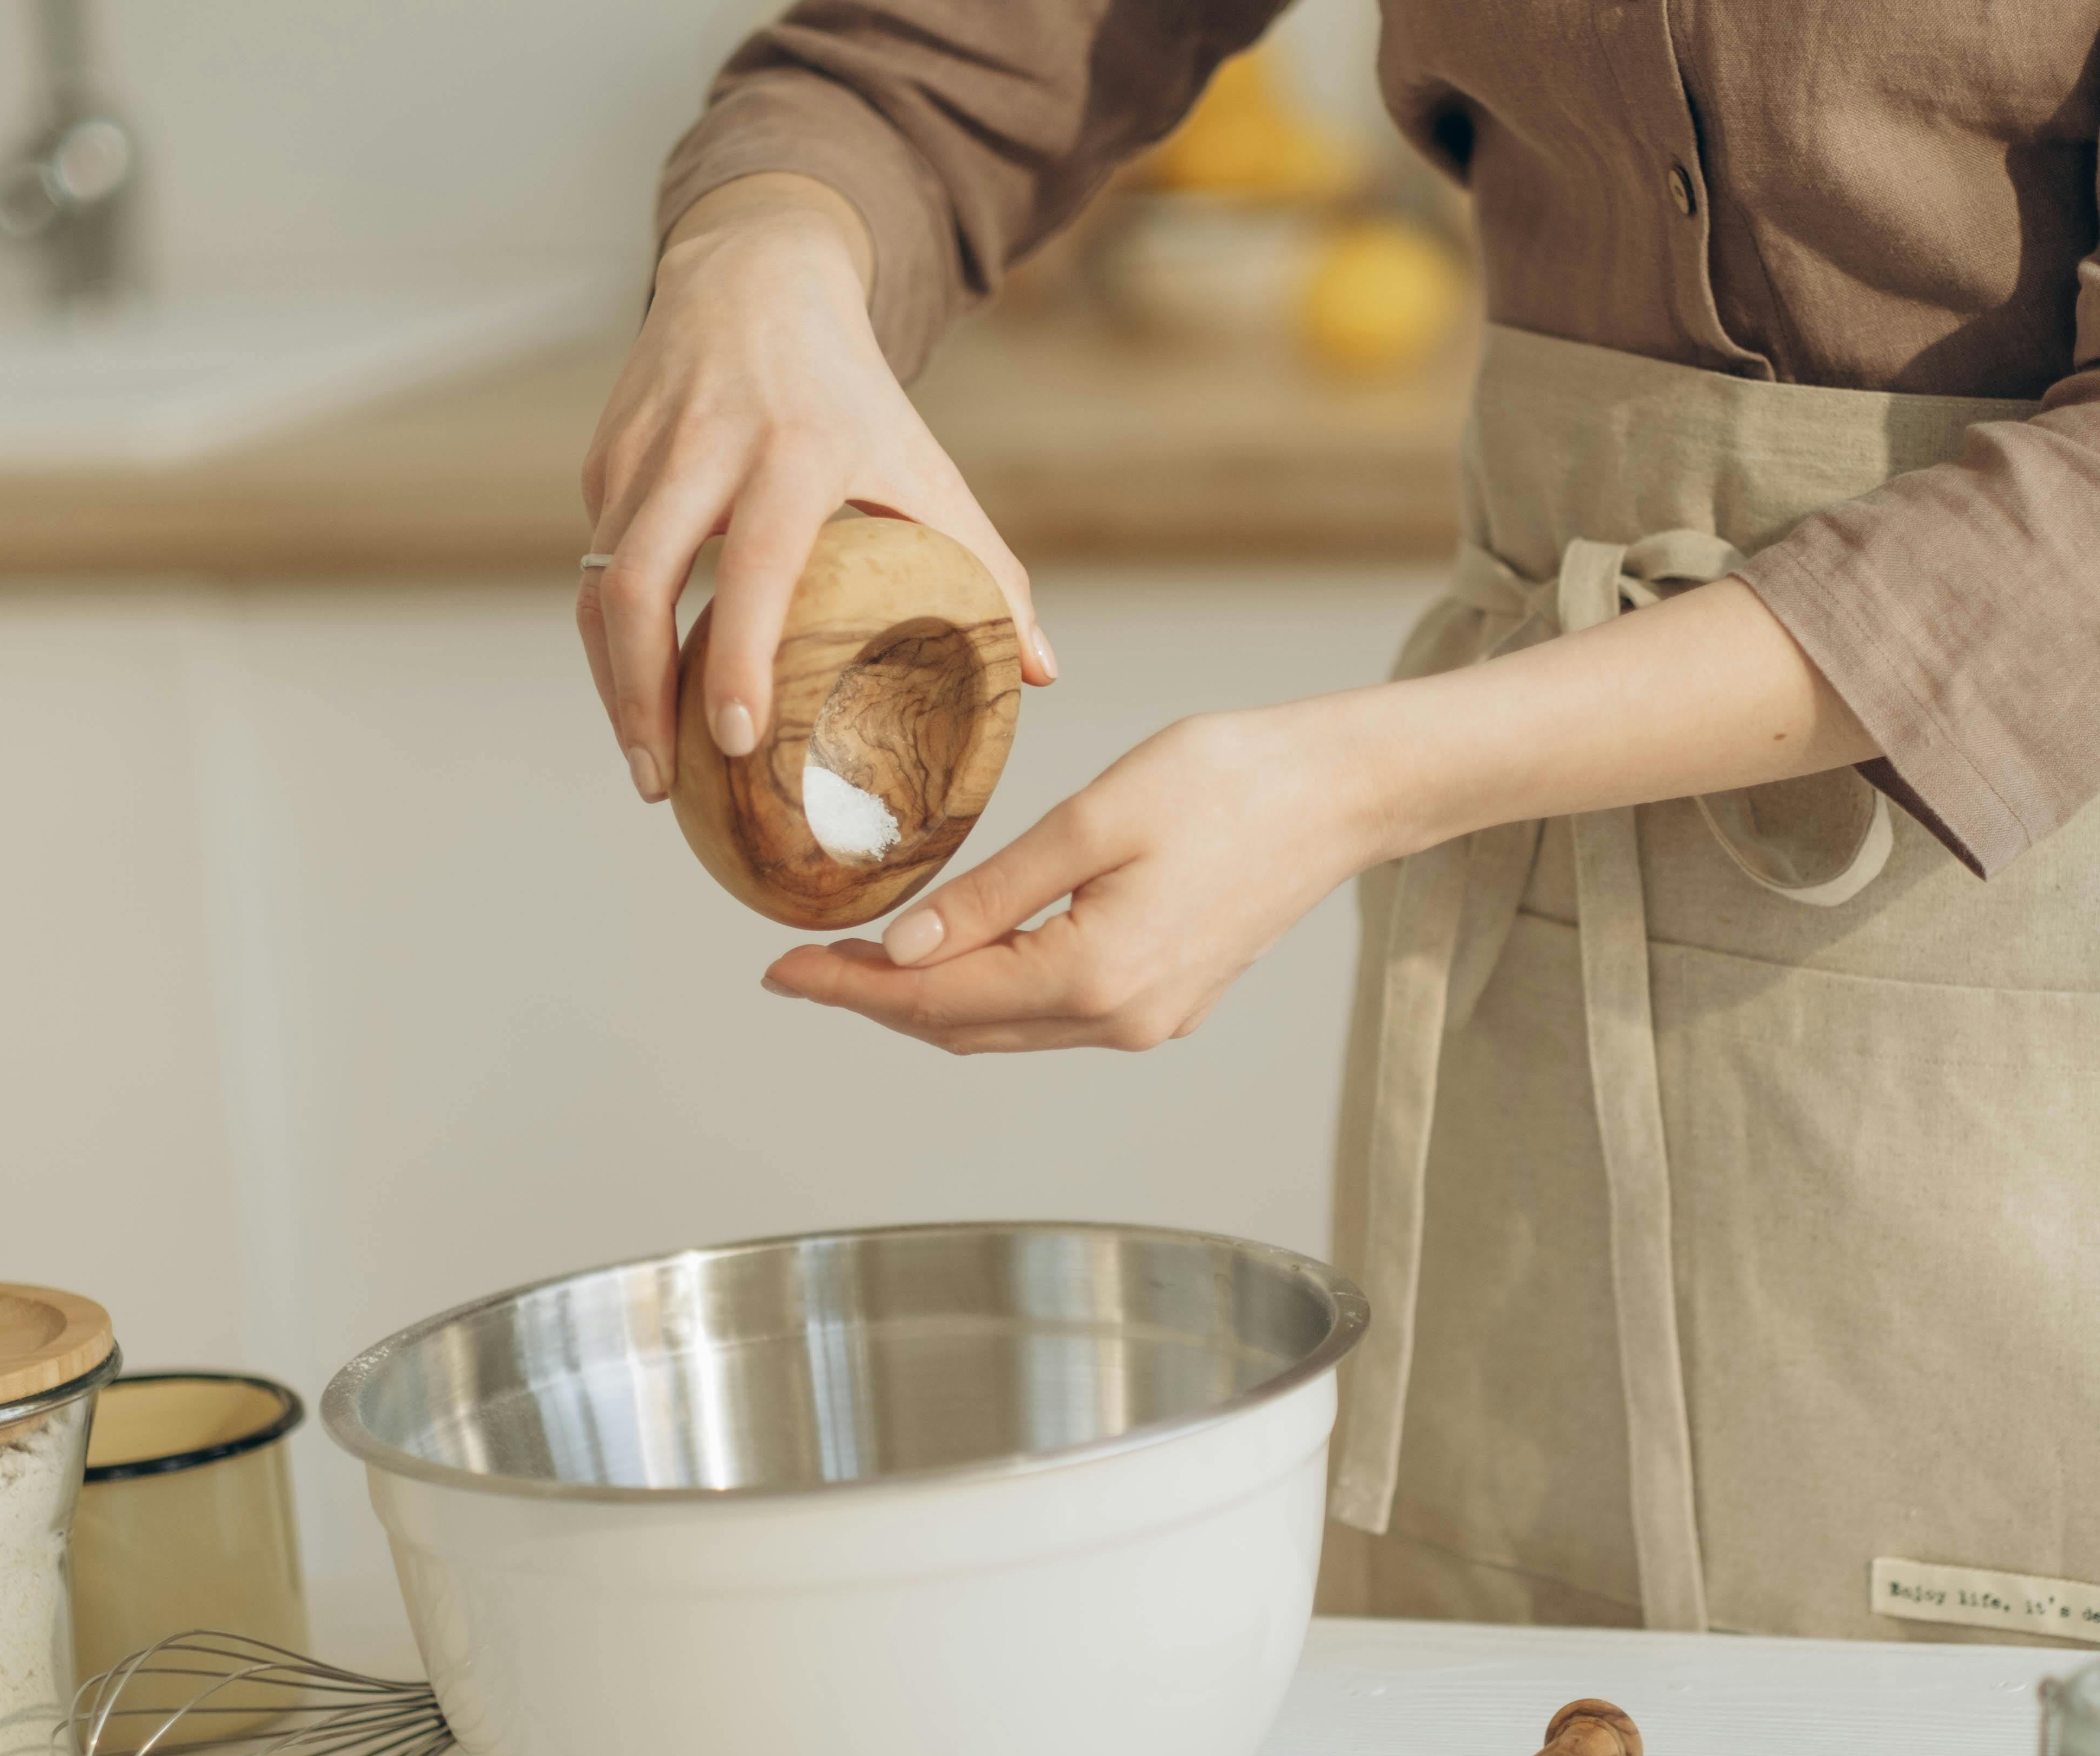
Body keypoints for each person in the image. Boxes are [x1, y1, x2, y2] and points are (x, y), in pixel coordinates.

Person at [576, 2, 2100, 1644]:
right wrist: (767, 262)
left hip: (2017, 885)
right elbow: (929, 71)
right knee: (1516, 1736)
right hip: (1540, 937)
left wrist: (1364, 783)